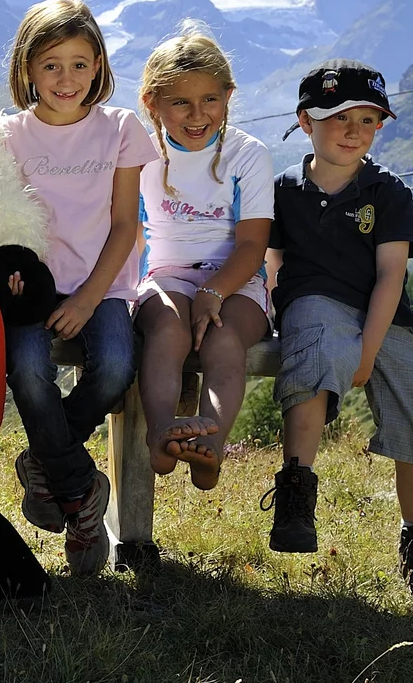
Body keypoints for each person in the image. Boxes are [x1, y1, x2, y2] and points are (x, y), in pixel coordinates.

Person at [262, 60, 413, 606]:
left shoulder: (388, 192)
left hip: (380, 313)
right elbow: (271, 261)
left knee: (412, 409)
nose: (353, 131)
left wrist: (368, 353)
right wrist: (271, 313)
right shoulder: (283, 190)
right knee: (317, 350)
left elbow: (392, 276)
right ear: (305, 122)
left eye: (368, 121)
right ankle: (297, 490)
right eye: (339, 117)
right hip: (313, 302)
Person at [0, 0, 152, 576]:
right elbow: (4, 218)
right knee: (29, 370)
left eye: (80, 63)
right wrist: (8, 265)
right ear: (27, 69)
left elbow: (123, 225)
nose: (67, 78)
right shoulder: (10, 135)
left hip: (104, 283)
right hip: (33, 288)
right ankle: (83, 496)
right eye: (51, 64)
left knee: (114, 365)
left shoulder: (119, 130)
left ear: (100, 67)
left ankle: (44, 462)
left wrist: (90, 296)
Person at [132, 27, 272, 491]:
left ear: (229, 96)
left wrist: (214, 292)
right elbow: (127, 231)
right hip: (165, 274)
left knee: (225, 338)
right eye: (180, 103)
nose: (197, 116)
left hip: (237, 279)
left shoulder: (247, 155)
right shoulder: (140, 153)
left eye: (210, 100)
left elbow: (253, 245)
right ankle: (161, 435)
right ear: (152, 102)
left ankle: (210, 445)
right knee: (168, 328)